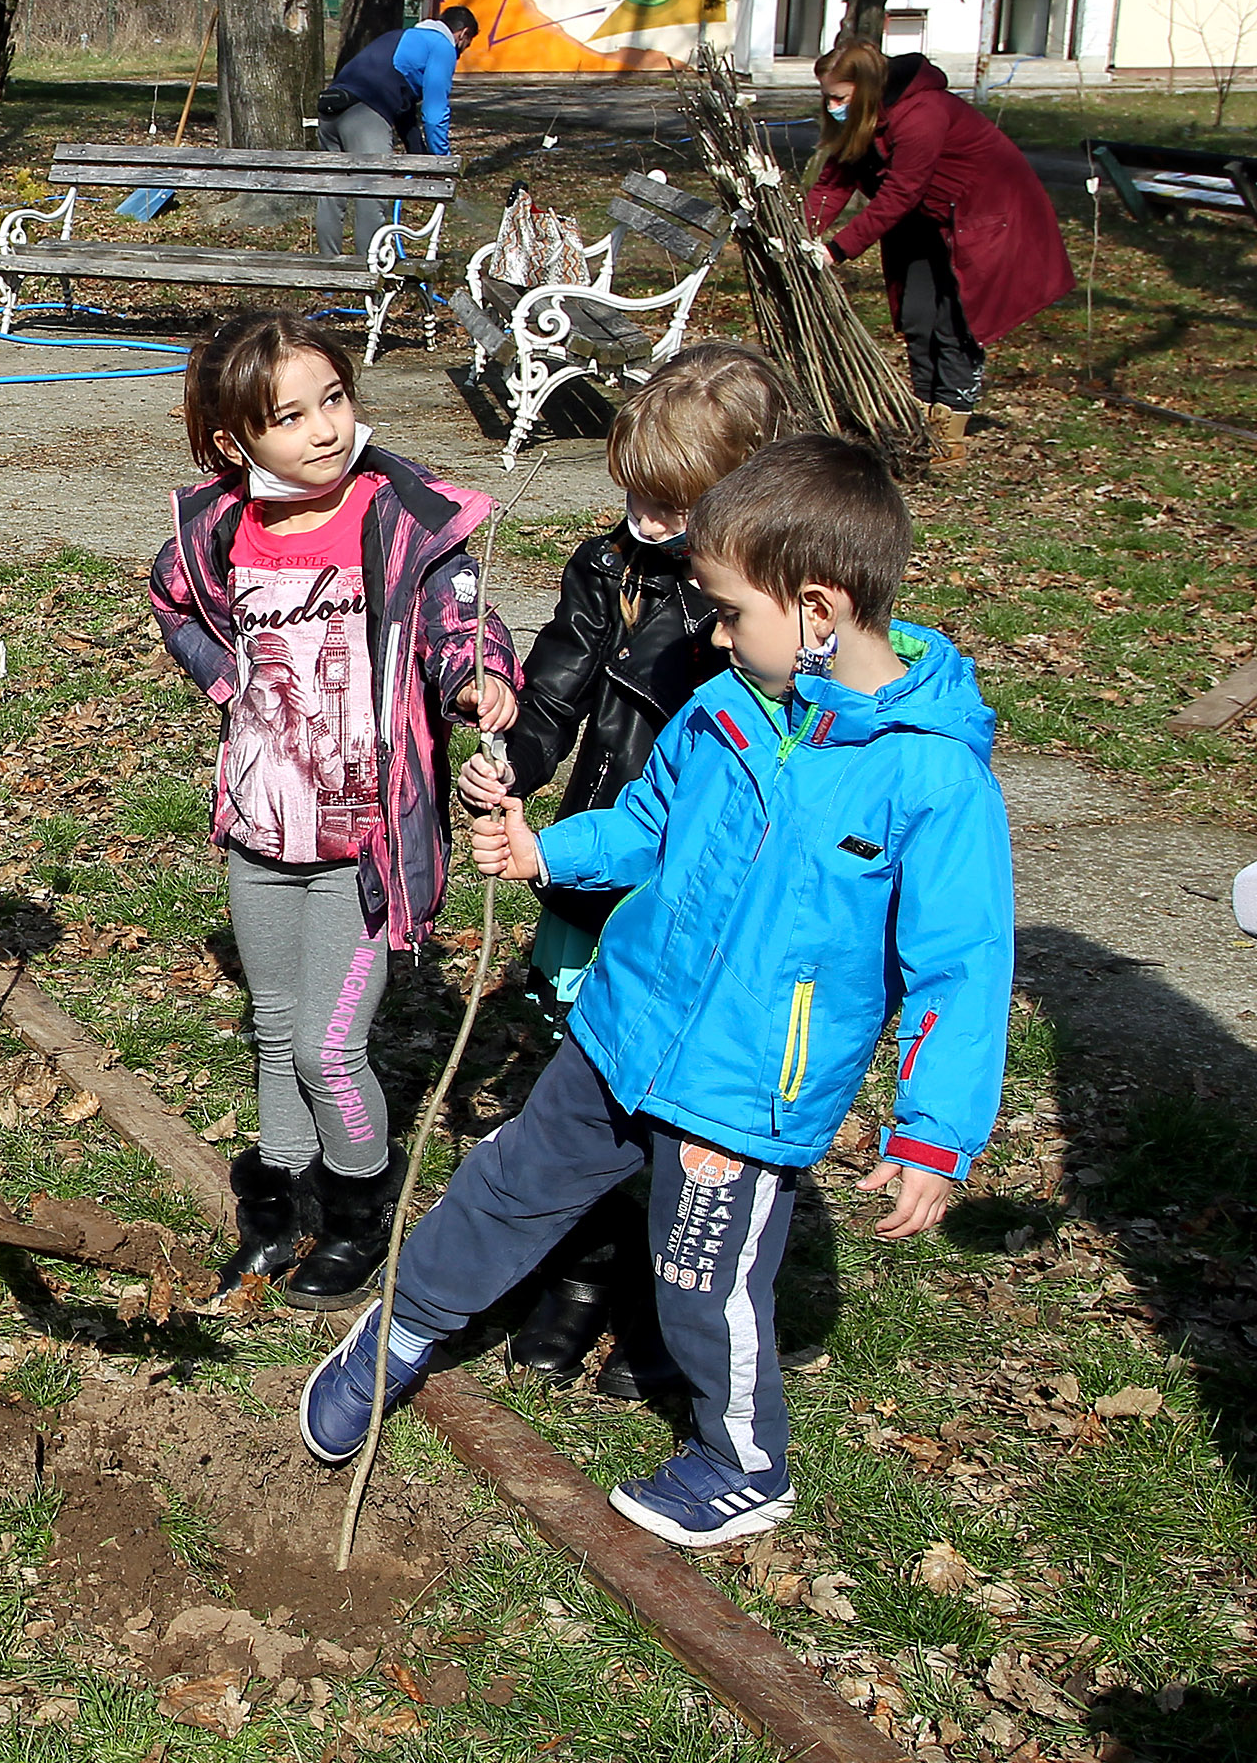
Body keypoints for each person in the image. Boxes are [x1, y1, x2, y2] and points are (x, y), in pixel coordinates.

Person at [303, 435, 1013, 1549]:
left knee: (703, 1279)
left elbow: (962, 967)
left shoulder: (932, 775)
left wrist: (933, 1135)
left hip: (744, 1087)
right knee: (507, 1184)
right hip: (625, 1024)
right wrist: (547, 855)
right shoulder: (725, 709)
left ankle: (742, 1460)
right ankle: (401, 1327)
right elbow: (648, 824)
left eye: (730, 611)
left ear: (817, 608)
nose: (715, 635)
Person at [149, 314, 521, 1310]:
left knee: (327, 1045)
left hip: (366, 841)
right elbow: (173, 600)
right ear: (235, 442)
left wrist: (478, 679)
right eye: (289, 415)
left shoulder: (397, 518)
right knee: (275, 1032)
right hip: (260, 826)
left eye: (334, 399)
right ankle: (287, 1199)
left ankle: (360, 1212)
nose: (323, 428)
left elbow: (461, 625)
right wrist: (228, 683)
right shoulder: (222, 525)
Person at [451, 342, 793, 1389]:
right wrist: (513, 756)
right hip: (590, 858)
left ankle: (665, 1294)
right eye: (635, 489)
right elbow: (557, 688)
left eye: (671, 500)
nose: (645, 516)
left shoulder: (749, 624)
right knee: (586, 1070)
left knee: (677, 1097)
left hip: (687, 889)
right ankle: (587, 1272)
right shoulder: (606, 568)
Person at [807, 40, 1077, 412]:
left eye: (839, 98)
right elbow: (835, 180)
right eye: (827, 99)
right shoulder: (867, 118)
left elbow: (901, 192)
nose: (832, 107)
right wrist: (801, 234)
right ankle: (926, 406)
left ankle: (952, 419)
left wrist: (837, 250)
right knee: (918, 318)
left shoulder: (922, 114)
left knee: (954, 325)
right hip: (926, 222)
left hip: (981, 220)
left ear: (867, 89)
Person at [315, 6, 477, 261]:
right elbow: (435, 114)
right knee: (373, 191)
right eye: (466, 44)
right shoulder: (442, 46)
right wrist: (441, 161)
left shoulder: (401, 37)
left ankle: (327, 271)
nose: (462, 50)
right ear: (463, 34)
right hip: (364, 116)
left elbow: (403, 108)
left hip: (330, 111)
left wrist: (420, 156)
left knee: (332, 193)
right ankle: (370, 273)